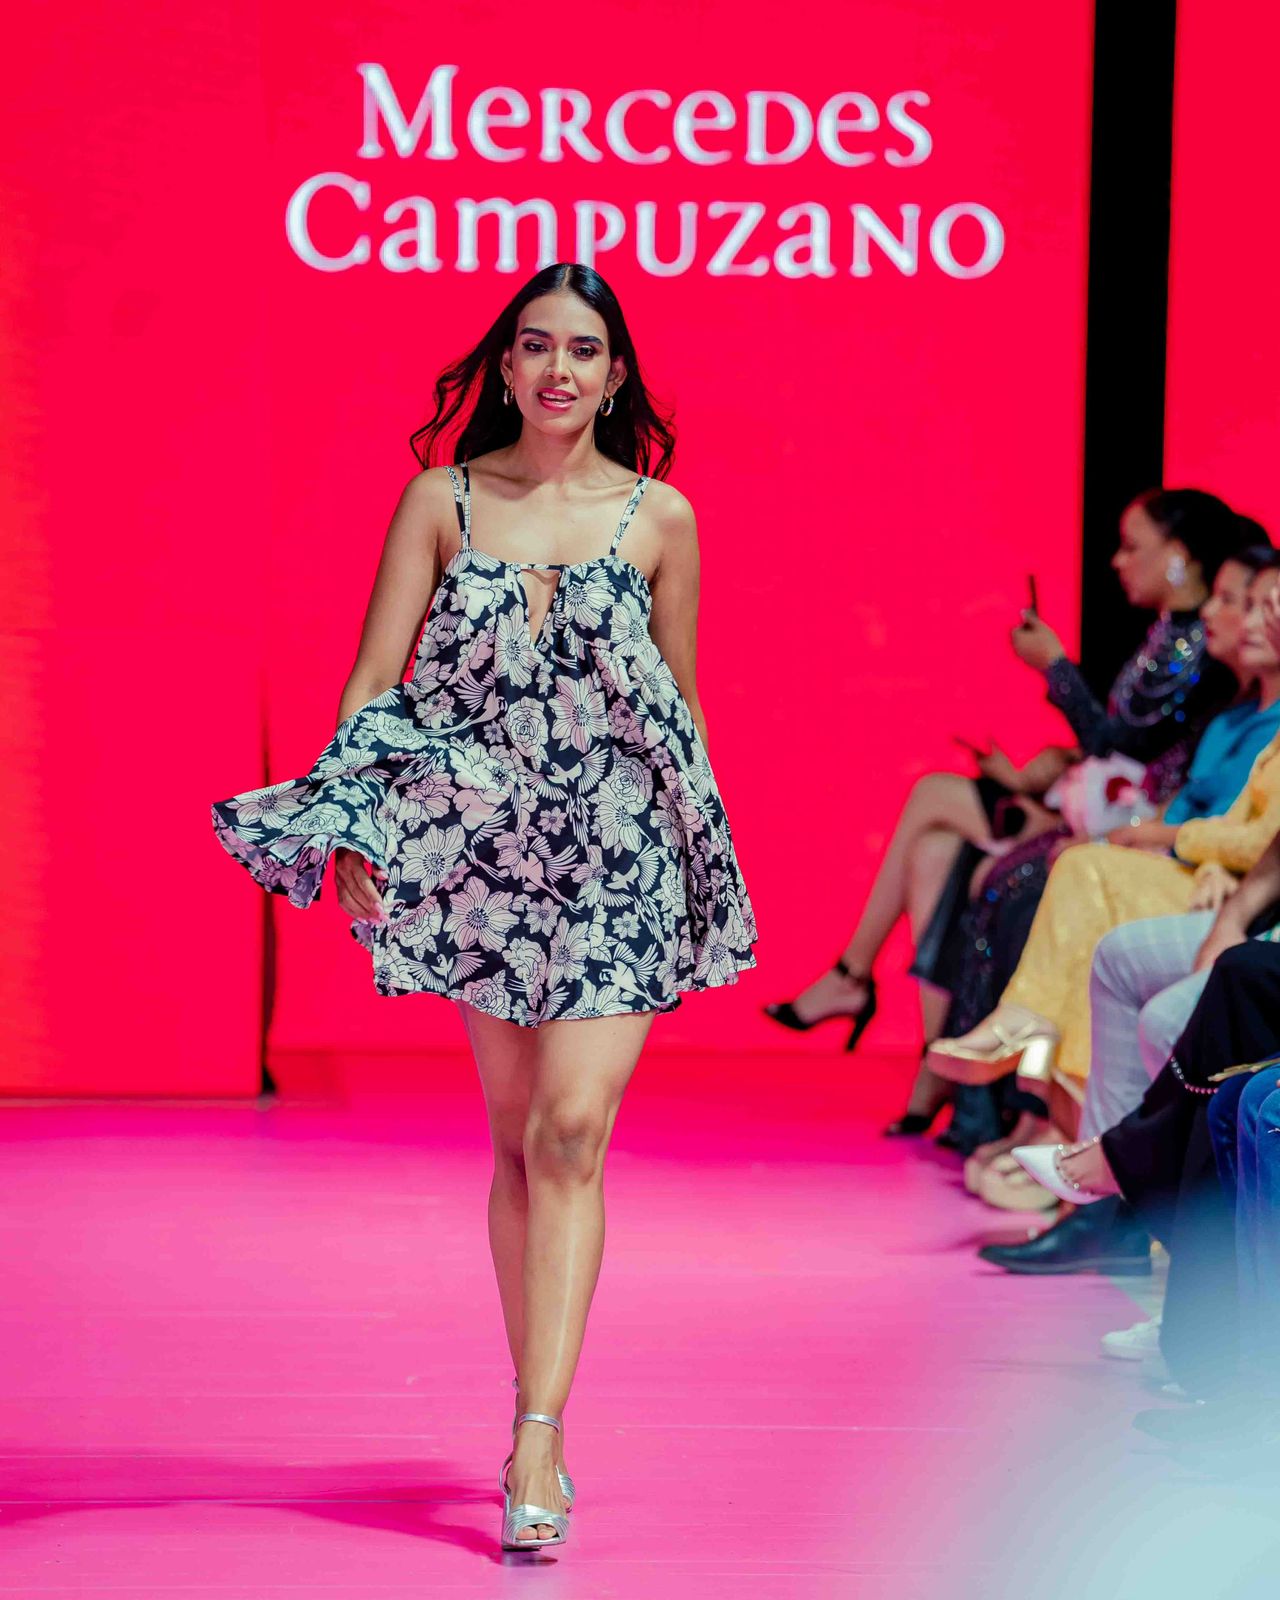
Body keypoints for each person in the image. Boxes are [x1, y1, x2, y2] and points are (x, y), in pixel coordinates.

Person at [210, 263, 760, 1551]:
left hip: (621, 849)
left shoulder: (661, 518)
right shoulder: (438, 502)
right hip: (480, 856)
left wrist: (697, 861)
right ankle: (530, 1393)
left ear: (614, 376)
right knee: (516, 1139)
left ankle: (538, 1434)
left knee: (571, 1130)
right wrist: (354, 815)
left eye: (584, 349)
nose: (558, 368)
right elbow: (371, 678)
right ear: (504, 367)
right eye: (535, 345)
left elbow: (678, 703)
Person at [761, 489, 1248, 1141]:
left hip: (1126, 826)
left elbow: (1125, 746)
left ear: (1179, 556)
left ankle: (890, 1011)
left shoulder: (1201, 654)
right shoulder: (1170, 638)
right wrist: (1052, 768)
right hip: (1111, 814)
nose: (1116, 561)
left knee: (971, 839)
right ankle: (940, 1069)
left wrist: (1055, 669)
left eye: (1132, 546)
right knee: (937, 851)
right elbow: (1124, 751)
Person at [928, 557, 1280, 1109]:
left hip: (1232, 899)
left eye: (1256, 604)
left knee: (1079, 887)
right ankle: (1046, 1096)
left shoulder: (1247, 711)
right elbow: (1232, 823)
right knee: (1042, 883)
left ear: (1179, 558)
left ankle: (1054, 1097)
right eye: (1253, 604)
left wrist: (1164, 839)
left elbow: (1252, 838)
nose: (1246, 618)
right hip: (1204, 875)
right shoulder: (1228, 717)